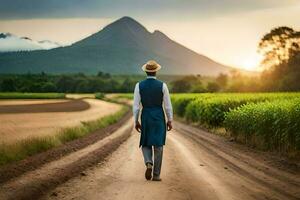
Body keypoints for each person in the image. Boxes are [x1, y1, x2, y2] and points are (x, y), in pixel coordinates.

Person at [133, 60, 173, 181]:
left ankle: (148, 162)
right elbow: (167, 105)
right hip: (159, 116)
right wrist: (170, 120)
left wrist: (136, 121)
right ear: (156, 71)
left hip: (146, 116)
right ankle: (156, 175)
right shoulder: (163, 85)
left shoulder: (139, 85)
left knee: (145, 142)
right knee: (158, 145)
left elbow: (136, 107)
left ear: (146, 71)